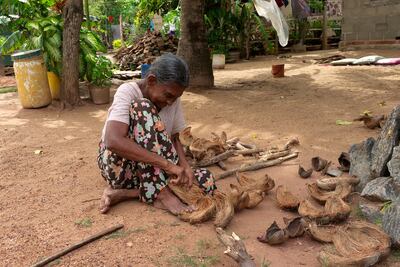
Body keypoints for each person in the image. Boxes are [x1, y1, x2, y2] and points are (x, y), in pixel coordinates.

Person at [97, 54, 216, 215]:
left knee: (204, 179)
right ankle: (162, 194)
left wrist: (185, 166)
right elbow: (113, 140)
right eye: (168, 96)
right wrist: (168, 165)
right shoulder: (128, 92)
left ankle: (127, 194)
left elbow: (174, 137)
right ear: (151, 81)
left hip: (151, 171)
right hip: (121, 169)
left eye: (176, 98)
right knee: (142, 107)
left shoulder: (171, 96)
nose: (170, 102)